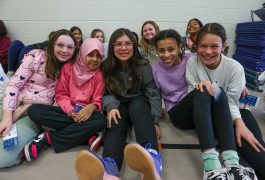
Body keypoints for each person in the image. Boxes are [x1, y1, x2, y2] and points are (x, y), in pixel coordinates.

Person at [152, 29, 258, 180]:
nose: (166, 54)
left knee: (214, 89)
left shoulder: (191, 58)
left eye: (171, 49)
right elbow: (154, 95)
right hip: (179, 112)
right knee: (202, 90)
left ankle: (232, 164)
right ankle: (211, 168)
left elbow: (215, 65)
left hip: (202, 110)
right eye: (161, 50)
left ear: (180, 47)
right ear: (156, 50)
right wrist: (154, 119)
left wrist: (241, 85)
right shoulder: (155, 69)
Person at [75, 28, 162, 180]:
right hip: (118, 102)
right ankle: (110, 168)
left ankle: (152, 159)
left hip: (138, 99)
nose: (123, 48)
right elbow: (106, 92)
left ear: (134, 46)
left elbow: (152, 91)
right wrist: (111, 107)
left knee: (139, 108)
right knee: (115, 123)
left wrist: (154, 120)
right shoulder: (107, 65)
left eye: (128, 44)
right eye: (119, 44)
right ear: (112, 47)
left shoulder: (142, 64)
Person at [186, 23, 265, 179]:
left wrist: (239, 122)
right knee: (237, 151)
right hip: (209, 114)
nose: (208, 51)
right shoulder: (192, 63)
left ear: (224, 46)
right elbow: (193, 95)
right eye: (203, 46)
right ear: (196, 45)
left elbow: (231, 101)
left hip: (236, 110)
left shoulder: (235, 68)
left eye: (214, 46)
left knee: (255, 147)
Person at [0, 29, 77, 168]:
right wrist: (7, 117)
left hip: (34, 112)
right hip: (11, 101)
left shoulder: (71, 68)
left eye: (70, 47)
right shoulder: (36, 57)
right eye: (60, 45)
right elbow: (13, 86)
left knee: (4, 157)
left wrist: (25, 109)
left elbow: (62, 98)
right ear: (52, 44)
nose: (65, 50)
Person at [24, 38, 107, 161]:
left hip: (87, 114)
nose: (94, 59)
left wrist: (92, 107)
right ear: (83, 53)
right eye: (90, 55)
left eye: (98, 56)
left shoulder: (99, 75)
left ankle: (48, 138)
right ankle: (86, 135)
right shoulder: (68, 67)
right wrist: (70, 110)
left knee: (101, 120)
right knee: (34, 110)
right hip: (66, 111)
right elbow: (61, 94)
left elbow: (97, 99)